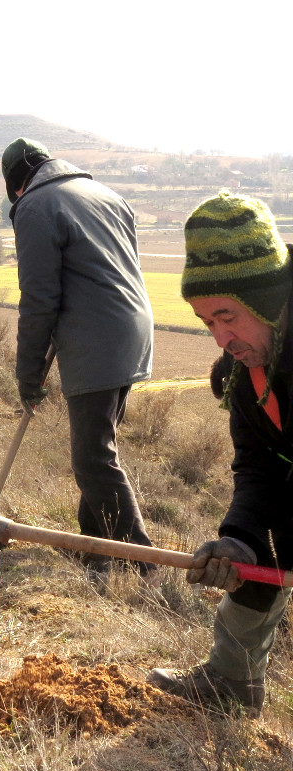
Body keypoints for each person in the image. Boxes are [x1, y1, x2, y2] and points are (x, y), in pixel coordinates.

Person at [147, 191, 293, 718]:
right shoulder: (243, 375)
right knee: (259, 561)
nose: (221, 338)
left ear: (266, 297)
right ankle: (233, 683)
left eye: (227, 315)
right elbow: (258, 469)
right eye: (208, 321)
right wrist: (241, 541)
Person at [0, 137, 157, 586]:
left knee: (92, 459)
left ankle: (145, 570)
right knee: (96, 448)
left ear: (15, 184)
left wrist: (28, 377)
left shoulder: (35, 207)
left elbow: (39, 300)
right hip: (133, 330)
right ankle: (95, 555)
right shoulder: (108, 195)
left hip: (98, 339)